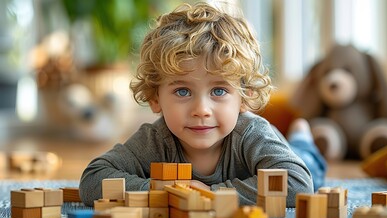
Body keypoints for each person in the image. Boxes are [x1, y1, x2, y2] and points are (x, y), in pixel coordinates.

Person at [79, 2, 326, 207]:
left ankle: (301, 140)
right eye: (183, 91)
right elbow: (93, 179)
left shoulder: (251, 134)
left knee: (309, 166)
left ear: (244, 97)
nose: (201, 109)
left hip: (294, 159)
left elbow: (298, 184)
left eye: (219, 90)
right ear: (156, 98)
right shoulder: (156, 140)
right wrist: (161, 192)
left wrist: (210, 195)